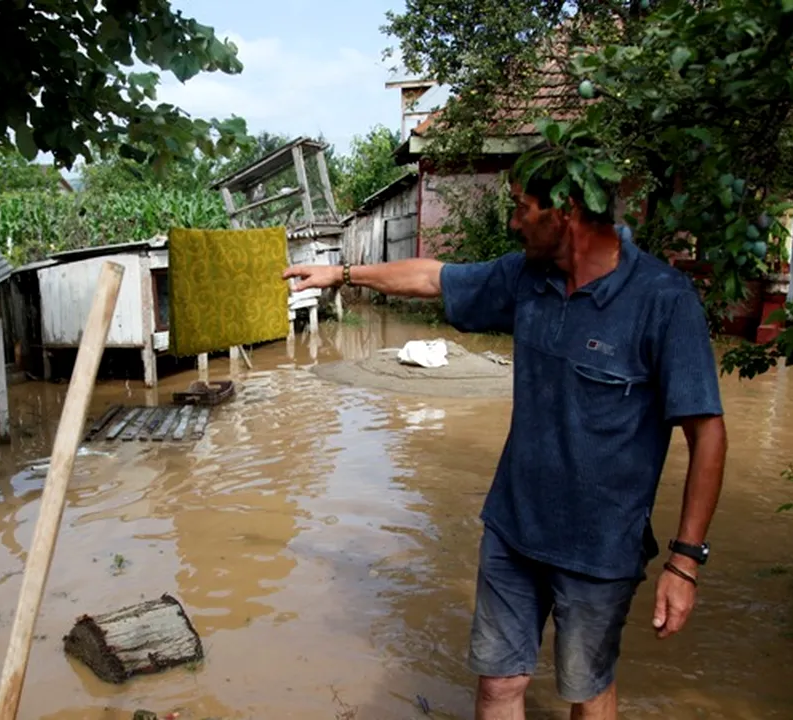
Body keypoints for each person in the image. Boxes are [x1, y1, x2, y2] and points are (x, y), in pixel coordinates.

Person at [284, 172, 728, 720]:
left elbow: (707, 433)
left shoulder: (663, 299)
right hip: (513, 529)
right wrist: (342, 273)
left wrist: (685, 561)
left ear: (564, 208)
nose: (514, 223)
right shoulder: (526, 278)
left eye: (521, 207)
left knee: (587, 691)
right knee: (498, 685)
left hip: (600, 548)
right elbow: (433, 278)